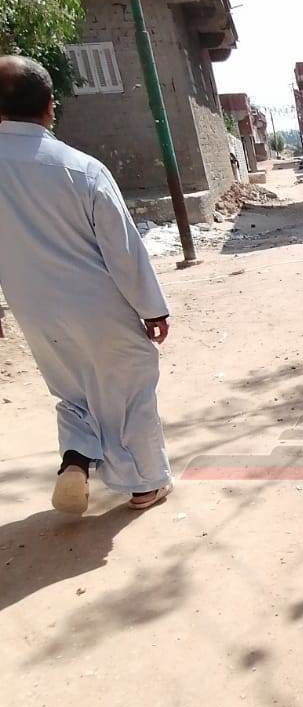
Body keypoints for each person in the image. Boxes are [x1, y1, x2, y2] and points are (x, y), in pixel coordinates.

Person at [0, 55, 174, 515]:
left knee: (72, 389)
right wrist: (152, 307)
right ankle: (145, 484)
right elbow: (123, 249)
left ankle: (75, 461)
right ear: (50, 107)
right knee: (131, 383)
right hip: (98, 305)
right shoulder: (81, 169)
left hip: (34, 311)